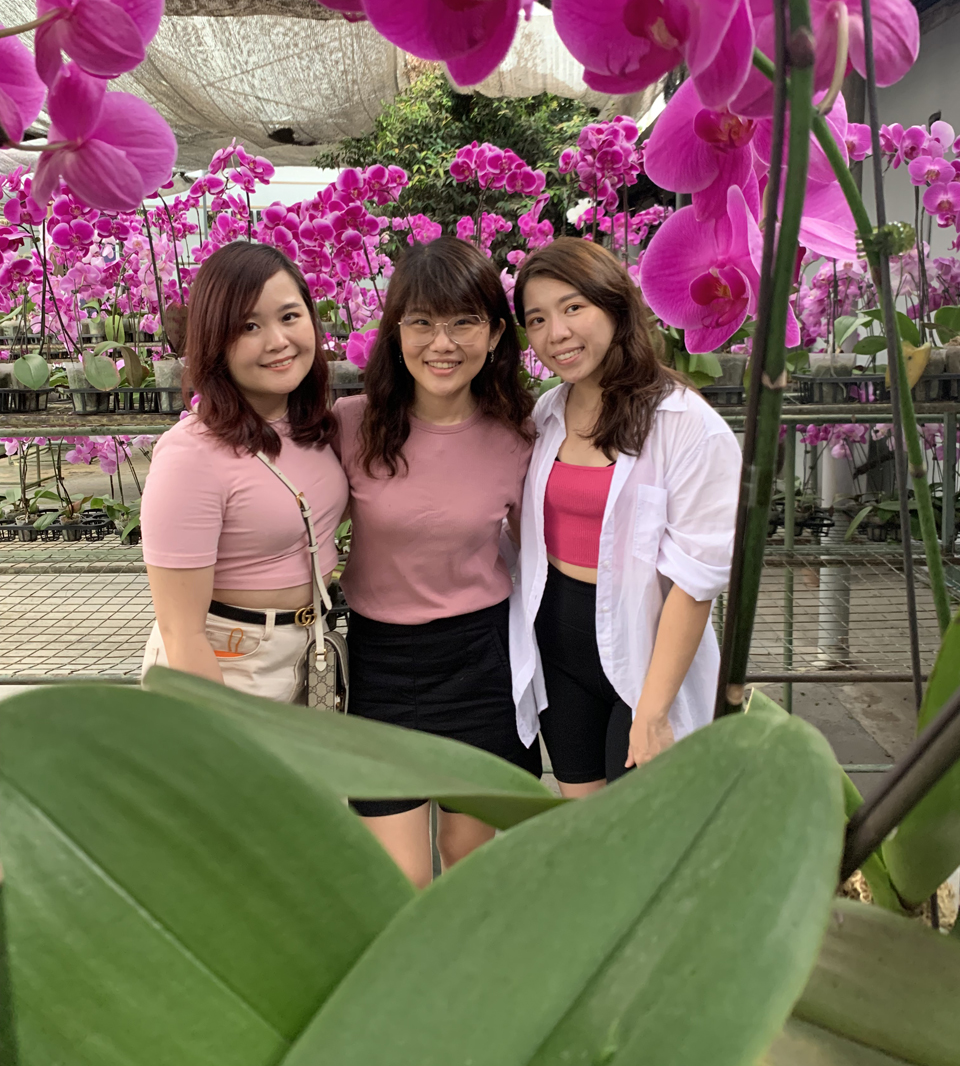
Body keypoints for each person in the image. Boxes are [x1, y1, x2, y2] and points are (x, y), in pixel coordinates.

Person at [333, 236, 540, 888]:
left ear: (496, 333)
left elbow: (545, 554)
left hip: (480, 663)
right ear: (395, 331)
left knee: (470, 864)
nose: (441, 343)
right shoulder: (350, 425)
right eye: (421, 322)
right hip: (378, 666)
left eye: (463, 322)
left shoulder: (520, 435)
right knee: (398, 880)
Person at [510, 236, 741, 797]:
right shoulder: (548, 413)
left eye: (573, 307)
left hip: (645, 651)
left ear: (615, 305)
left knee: (644, 821)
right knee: (585, 818)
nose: (556, 333)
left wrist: (654, 710)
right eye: (537, 319)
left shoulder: (685, 424)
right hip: (557, 645)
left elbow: (695, 580)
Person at [141, 240, 348, 702]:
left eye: (290, 316)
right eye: (249, 326)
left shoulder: (313, 427)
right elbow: (181, 632)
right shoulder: (189, 455)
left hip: (310, 646)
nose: (277, 341)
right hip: (230, 664)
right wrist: (221, 729)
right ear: (215, 339)